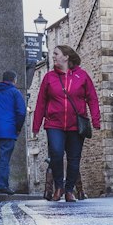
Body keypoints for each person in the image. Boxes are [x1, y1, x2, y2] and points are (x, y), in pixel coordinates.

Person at [31, 44, 100, 203]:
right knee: (55, 154)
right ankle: (58, 187)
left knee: (74, 158)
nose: (53, 56)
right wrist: (36, 125)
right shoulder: (49, 77)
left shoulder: (81, 76)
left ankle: (69, 190)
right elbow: (41, 103)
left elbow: (92, 98)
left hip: (76, 124)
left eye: (56, 54)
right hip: (54, 124)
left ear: (66, 56)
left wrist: (96, 120)